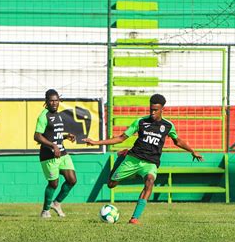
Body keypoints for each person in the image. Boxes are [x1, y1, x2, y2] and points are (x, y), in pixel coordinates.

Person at [84, 94, 203, 224]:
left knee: (150, 181)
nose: (152, 112)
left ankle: (134, 218)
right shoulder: (140, 122)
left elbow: (178, 141)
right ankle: (121, 159)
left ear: (162, 109)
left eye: (155, 110)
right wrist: (96, 142)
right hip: (133, 158)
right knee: (111, 185)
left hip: (150, 163)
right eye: (151, 109)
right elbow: (121, 138)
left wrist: (192, 151)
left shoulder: (168, 126)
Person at [34, 89, 77, 218]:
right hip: (48, 155)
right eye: (51, 100)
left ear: (59, 101)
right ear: (46, 101)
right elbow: (37, 136)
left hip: (62, 153)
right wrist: (53, 145)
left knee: (72, 180)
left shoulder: (58, 115)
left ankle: (56, 203)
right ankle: (45, 210)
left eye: (56, 100)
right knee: (54, 183)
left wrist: (66, 136)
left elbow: (53, 134)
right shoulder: (43, 116)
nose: (54, 103)